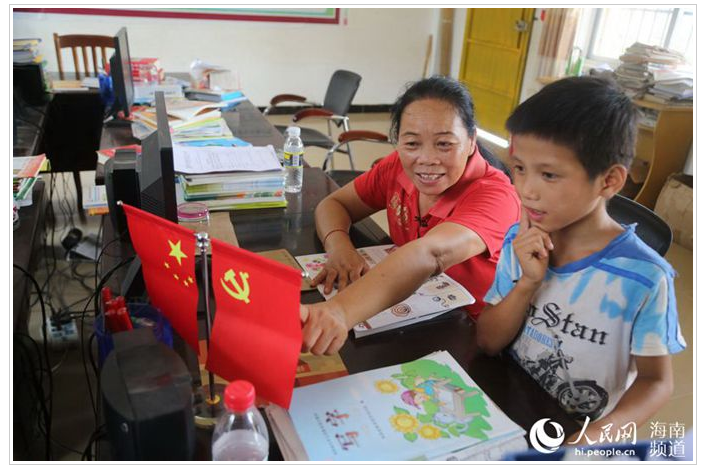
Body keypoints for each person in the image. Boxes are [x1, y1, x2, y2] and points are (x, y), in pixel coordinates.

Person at [476, 76, 686, 444]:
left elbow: (656, 382)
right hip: (508, 409)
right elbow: (488, 342)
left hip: (576, 433)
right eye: (519, 169)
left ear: (609, 181)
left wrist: (594, 438)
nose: (526, 190)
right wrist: (527, 283)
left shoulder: (644, 278)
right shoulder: (520, 241)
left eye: (549, 175)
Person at [300, 76, 520, 355]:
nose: (426, 159)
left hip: (468, 335)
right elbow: (334, 204)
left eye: (444, 144)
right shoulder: (396, 166)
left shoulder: (496, 196)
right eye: (412, 143)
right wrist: (339, 247)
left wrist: (339, 312)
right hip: (408, 313)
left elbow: (431, 254)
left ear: (471, 140)